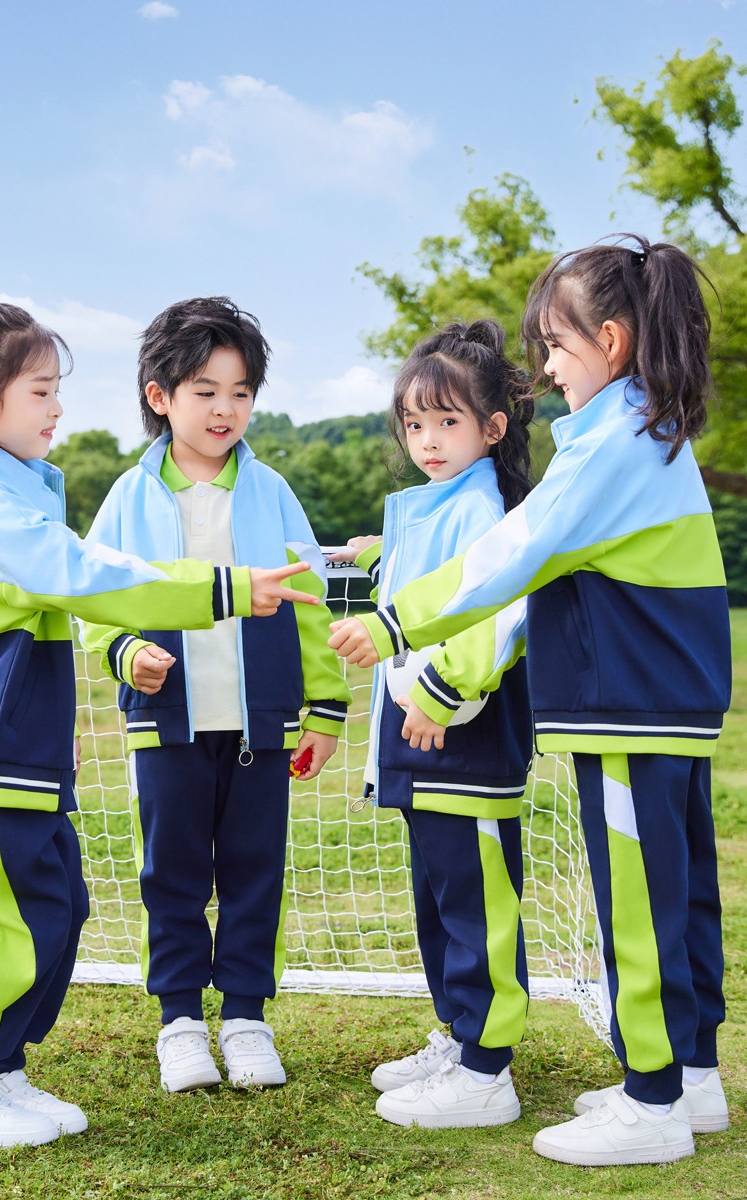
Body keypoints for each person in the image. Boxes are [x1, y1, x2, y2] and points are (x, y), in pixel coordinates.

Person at [331, 236, 730, 1167]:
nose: (545, 367)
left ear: (614, 343)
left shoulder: (615, 444)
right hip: (659, 705)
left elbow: (510, 558)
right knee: (680, 891)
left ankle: (654, 1099)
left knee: (637, 901)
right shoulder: (640, 432)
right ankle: (693, 1073)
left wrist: (397, 624)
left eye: (555, 344)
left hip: (630, 708)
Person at [0, 279, 317, 1147]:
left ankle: (2, 1071)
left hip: (24, 752)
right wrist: (227, 589)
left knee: (61, 908)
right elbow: (90, 580)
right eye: (43, 392)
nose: (58, 409)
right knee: (25, 919)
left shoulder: (20, 488)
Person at [81, 297, 348, 1094]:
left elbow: (312, 603)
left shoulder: (272, 494)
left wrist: (326, 707)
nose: (225, 408)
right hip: (165, 730)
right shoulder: (128, 498)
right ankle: (179, 1023)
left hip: (260, 728)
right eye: (205, 390)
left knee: (255, 872)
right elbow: (94, 603)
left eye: (240, 391)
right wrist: (128, 653)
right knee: (172, 875)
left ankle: (245, 1018)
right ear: (160, 397)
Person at [327, 320, 535, 1128]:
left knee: (477, 901)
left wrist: (447, 700)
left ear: (493, 428)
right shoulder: (434, 505)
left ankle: (488, 1070)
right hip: (418, 728)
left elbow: (487, 611)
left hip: (461, 726)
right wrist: (386, 552)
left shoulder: (485, 508)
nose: (427, 439)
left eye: (447, 421)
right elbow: (431, 582)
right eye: (414, 424)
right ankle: (457, 1035)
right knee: (438, 894)